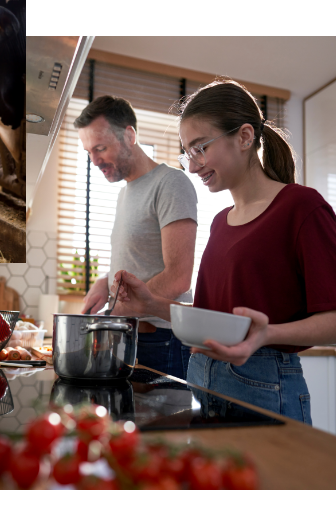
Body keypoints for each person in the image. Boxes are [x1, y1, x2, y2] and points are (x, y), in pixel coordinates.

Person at [112, 78, 336, 425]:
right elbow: (208, 319)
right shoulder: (221, 222)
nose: (193, 163)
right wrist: (149, 304)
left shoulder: (301, 207)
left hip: (263, 386)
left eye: (201, 147)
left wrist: (269, 333)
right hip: (203, 382)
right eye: (187, 153)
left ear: (244, 137)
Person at [75, 95, 198, 381]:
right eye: (89, 152)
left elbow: (179, 276)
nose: (95, 160)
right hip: (130, 337)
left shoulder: (171, 183)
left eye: (101, 148)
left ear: (129, 135)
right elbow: (141, 260)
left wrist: (117, 311)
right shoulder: (125, 193)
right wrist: (105, 282)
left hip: (161, 343)